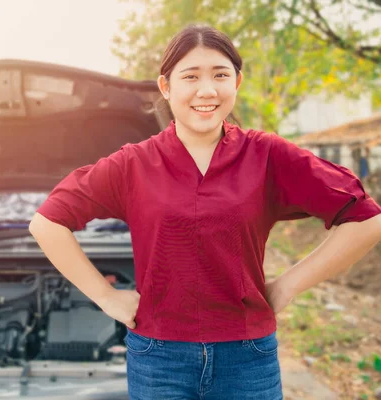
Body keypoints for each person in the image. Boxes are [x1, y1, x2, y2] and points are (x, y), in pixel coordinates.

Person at [28, 24, 381, 400]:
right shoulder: (133, 164)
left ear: (237, 81)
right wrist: (106, 296)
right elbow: (48, 222)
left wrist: (288, 285)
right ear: (166, 87)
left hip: (248, 358)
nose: (207, 90)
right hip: (158, 358)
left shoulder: (267, 155)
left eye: (220, 75)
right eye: (190, 77)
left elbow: (364, 218)